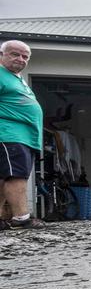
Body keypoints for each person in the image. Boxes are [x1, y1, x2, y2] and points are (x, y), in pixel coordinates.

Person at [0, 40, 45, 230]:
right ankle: (21, 218)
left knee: (4, 177)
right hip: (9, 134)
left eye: (25, 56)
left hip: (23, 137)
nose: (20, 59)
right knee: (16, 176)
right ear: (1, 54)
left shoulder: (16, 78)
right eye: (15, 54)